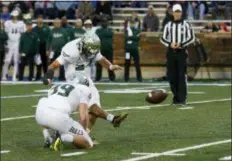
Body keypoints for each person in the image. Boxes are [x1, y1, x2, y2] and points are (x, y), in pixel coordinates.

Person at [43, 33, 128, 134]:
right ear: (82, 45)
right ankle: (113, 119)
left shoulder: (92, 47)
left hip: (85, 77)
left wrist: (110, 66)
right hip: (74, 78)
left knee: (95, 107)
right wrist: (48, 76)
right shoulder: (71, 50)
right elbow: (53, 65)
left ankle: (82, 135)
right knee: (92, 105)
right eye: (89, 50)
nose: (91, 53)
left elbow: (101, 59)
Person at [35, 82, 94, 150]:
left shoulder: (58, 85)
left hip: (39, 112)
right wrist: (83, 135)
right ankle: (62, 138)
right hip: (57, 116)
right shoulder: (85, 89)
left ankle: (47, 137)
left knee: (48, 113)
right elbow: (83, 118)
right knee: (88, 143)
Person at [160, 4, 195, 105]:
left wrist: (182, 44)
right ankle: (176, 98)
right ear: (173, 12)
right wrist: (170, 44)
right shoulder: (168, 25)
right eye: (176, 11)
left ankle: (182, 99)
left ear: (181, 12)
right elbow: (162, 38)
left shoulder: (186, 24)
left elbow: (192, 37)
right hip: (171, 53)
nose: (177, 13)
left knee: (181, 76)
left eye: (179, 11)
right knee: (171, 76)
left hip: (181, 53)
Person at [2, 10, 26, 81]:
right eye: (13, 16)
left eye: (16, 16)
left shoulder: (21, 23)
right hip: (9, 43)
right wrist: (5, 45)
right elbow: (5, 33)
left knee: (16, 60)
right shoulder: (8, 23)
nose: (14, 17)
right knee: (7, 60)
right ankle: (4, 75)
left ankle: (14, 76)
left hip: (17, 43)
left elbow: (22, 33)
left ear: (17, 16)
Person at [95, 17, 115, 81]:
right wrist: (105, 33)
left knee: (110, 64)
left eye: (105, 21)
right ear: (101, 23)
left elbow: (110, 34)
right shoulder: (98, 30)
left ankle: (112, 78)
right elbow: (99, 35)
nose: (104, 23)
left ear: (107, 23)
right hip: (100, 50)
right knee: (99, 65)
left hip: (109, 50)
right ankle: (98, 78)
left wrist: (103, 34)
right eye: (103, 22)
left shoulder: (110, 30)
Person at [33, 15, 50, 80]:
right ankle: (38, 76)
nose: (40, 20)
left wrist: (48, 49)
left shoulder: (46, 28)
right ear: (37, 20)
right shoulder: (34, 29)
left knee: (45, 62)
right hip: (37, 47)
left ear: (42, 20)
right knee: (38, 62)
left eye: (41, 19)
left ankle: (46, 76)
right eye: (38, 19)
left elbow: (49, 38)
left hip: (44, 46)